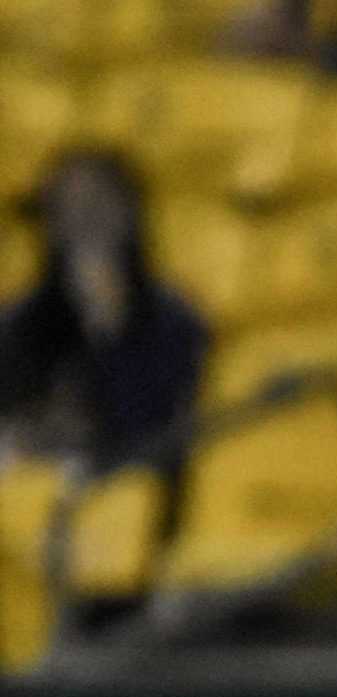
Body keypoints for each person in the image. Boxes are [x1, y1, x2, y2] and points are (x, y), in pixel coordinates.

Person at [0, 152, 207, 473]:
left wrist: (109, 326)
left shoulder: (175, 322)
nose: (84, 223)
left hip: (125, 488)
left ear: (129, 217)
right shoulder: (20, 322)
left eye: (97, 209)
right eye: (69, 209)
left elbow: (158, 427)